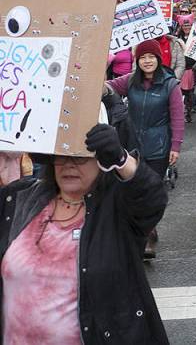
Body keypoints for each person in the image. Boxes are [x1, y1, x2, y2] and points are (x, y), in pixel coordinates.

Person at [0, 122, 169, 343]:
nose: (68, 165)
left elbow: (152, 197)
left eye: (79, 157)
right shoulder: (19, 198)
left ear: (101, 161)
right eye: (61, 156)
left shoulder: (118, 209)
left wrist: (121, 160)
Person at [106, 38, 184, 260]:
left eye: (151, 57)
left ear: (158, 59)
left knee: (150, 192)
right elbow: (107, 88)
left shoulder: (170, 84)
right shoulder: (130, 81)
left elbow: (177, 118)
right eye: (143, 57)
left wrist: (176, 146)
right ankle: (145, 232)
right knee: (133, 192)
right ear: (137, 60)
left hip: (158, 147)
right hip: (132, 147)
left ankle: (147, 236)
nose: (147, 61)